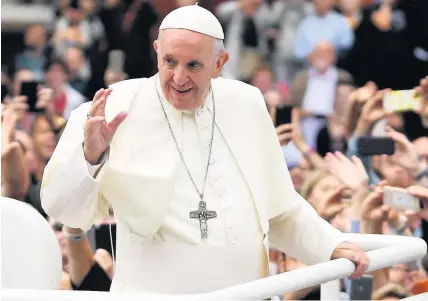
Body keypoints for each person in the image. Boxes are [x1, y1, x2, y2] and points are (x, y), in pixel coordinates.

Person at [41, 3, 369, 295]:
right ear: (156, 50)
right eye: (169, 62)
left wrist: (331, 246)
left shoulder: (247, 103)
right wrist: (91, 155)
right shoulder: (111, 107)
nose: (179, 78)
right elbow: (62, 210)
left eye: (193, 66)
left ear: (219, 62)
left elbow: (279, 210)